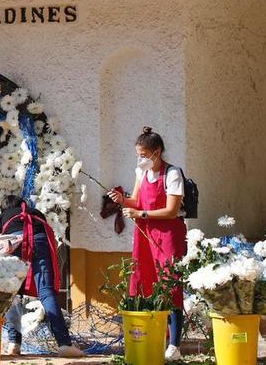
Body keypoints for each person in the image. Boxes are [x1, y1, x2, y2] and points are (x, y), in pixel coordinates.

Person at [108, 126, 188, 361]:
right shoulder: (141, 173)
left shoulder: (172, 174)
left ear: (157, 151)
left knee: (170, 284)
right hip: (146, 236)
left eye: (144, 154)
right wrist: (122, 200)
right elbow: (136, 200)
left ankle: (174, 344)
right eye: (138, 154)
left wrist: (141, 214)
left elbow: (171, 211)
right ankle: (153, 335)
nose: (140, 159)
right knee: (145, 279)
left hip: (168, 234)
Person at [0, 194, 83, 358]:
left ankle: (14, 343)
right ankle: (64, 344)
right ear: (23, 204)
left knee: (12, 294)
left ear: (4, 208)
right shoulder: (35, 213)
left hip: (13, 246)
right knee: (46, 293)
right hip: (39, 243)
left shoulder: (1, 218)